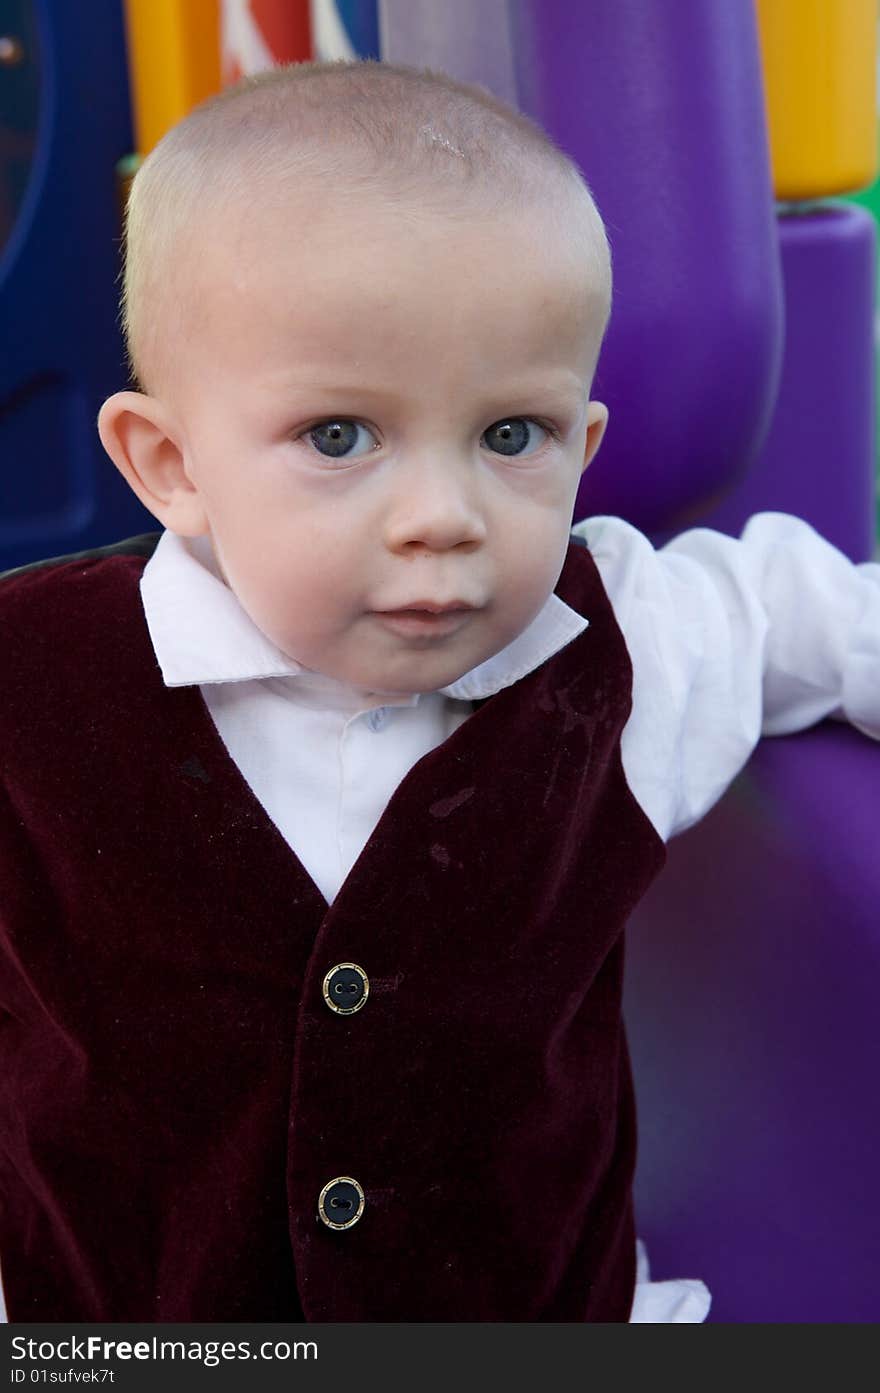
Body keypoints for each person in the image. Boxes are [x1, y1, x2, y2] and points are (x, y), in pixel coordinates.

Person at [1, 58, 878, 1325]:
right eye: (339, 437)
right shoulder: (32, 681)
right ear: (171, 464)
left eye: (509, 436)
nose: (442, 519)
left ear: (582, 450)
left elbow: (808, 606)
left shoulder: (620, 647)